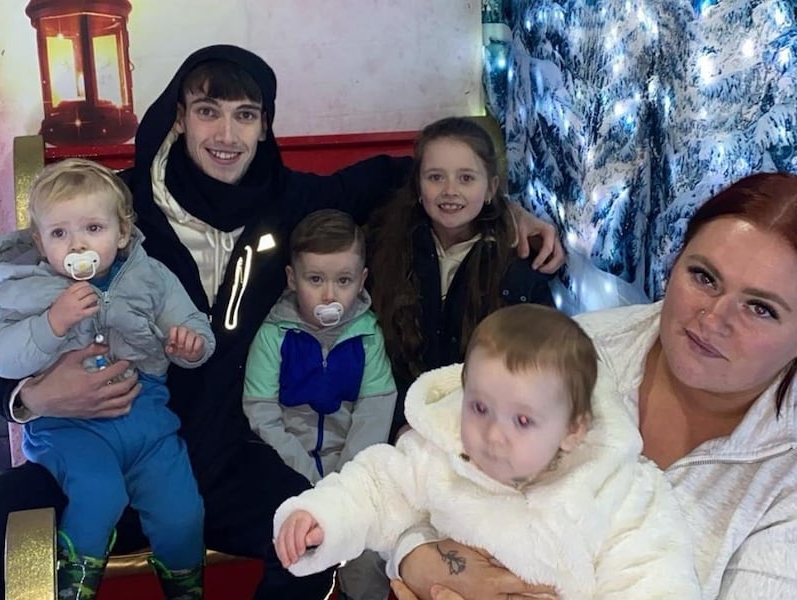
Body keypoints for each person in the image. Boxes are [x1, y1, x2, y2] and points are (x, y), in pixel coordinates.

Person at [0, 45, 565, 599]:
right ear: (179, 116)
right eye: (208, 112)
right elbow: (11, 295)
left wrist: (504, 209)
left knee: (313, 536)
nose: (226, 135)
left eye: (245, 115)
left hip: (225, 462)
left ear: (265, 126)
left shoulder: (288, 201)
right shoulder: (110, 208)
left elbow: (406, 175)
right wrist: (33, 396)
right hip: (103, 452)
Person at [392, 172, 797, 599]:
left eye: (760, 308)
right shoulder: (581, 349)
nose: (713, 318)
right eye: (704, 277)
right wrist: (419, 559)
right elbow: (412, 482)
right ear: (674, 263)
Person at [273, 304, 701, 599]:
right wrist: (321, 517)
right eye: (479, 407)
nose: (493, 434)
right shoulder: (443, 455)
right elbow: (377, 486)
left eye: (523, 420)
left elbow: (653, 580)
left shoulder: (621, 492)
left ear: (572, 430)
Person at [0, 159, 214, 599]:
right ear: (40, 242)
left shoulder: (150, 275)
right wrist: (51, 324)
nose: (77, 243)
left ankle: (185, 584)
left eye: (92, 228)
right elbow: (3, 356)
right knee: (100, 494)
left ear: (122, 231)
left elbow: (191, 321)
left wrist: (190, 345)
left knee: (183, 512)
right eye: (59, 234)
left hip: (145, 414)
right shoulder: (25, 287)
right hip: (67, 428)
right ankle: (76, 579)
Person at [366, 117, 556, 442]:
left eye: (466, 178)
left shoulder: (520, 268)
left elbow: (533, 365)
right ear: (418, 185)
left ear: (491, 189)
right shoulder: (385, 248)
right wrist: (401, 421)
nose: (450, 191)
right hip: (398, 423)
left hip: (482, 428)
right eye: (435, 177)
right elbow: (377, 353)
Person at [243, 209, 396, 600]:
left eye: (343, 281)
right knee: (295, 547)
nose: (330, 295)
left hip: (352, 469)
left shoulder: (368, 336)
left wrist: (345, 482)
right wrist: (306, 478)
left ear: (361, 281)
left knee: (368, 553)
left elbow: (374, 411)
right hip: (288, 466)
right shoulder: (273, 335)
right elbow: (262, 413)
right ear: (293, 280)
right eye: (316, 280)